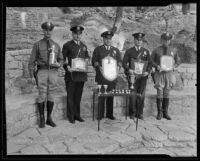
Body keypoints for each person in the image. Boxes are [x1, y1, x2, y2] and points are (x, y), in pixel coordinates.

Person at [28, 21, 64, 128]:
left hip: (53, 72)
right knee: (42, 94)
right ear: (43, 31)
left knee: (51, 94)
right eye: (46, 30)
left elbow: (61, 59)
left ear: (52, 31)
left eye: (50, 30)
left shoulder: (56, 46)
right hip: (42, 72)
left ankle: (49, 118)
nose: (48, 32)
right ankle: (42, 119)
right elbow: (31, 62)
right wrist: (31, 76)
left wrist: (59, 64)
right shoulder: (37, 45)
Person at [62, 25, 90, 123]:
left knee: (78, 96)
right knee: (70, 96)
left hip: (81, 76)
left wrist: (87, 60)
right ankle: (71, 116)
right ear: (72, 34)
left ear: (81, 35)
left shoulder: (84, 46)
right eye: (76, 34)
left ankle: (77, 115)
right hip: (71, 75)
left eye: (79, 34)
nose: (78, 36)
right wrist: (67, 67)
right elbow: (62, 58)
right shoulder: (67, 45)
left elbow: (87, 57)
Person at [92, 30, 122, 120]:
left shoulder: (115, 50)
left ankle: (110, 114)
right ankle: (100, 114)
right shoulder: (98, 49)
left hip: (112, 77)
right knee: (101, 95)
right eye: (106, 38)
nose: (108, 40)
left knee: (110, 95)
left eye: (110, 39)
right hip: (102, 77)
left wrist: (118, 68)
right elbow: (94, 61)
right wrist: (99, 67)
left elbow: (120, 61)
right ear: (103, 39)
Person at [122, 32, 152, 120]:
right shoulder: (129, 51)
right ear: (134, 40)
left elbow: (150, 63)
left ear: (142, 41)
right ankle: (132, 113)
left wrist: (148, 71)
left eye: (140, 40)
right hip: (132, 77)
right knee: (132, 95)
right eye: (137, 40)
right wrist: (128, 69)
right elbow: (124, 63)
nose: (139, 41)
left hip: (143, 77)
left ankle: (140, 113)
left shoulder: (146, 51)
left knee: (141, 95)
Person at [151, 32, 180, 120]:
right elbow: (151, 61)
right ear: (161, 40)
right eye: (164, 40)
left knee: (167, 92)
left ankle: (165, 113)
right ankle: (159, 113)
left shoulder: (174, 50)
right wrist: (157, 66)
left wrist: (175, 66)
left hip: (169, 73)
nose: (166, 42)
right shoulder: (156, 50)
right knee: (159, 92)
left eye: (168, 40)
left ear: (170, 40)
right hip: (159, 73)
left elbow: (178, 61)